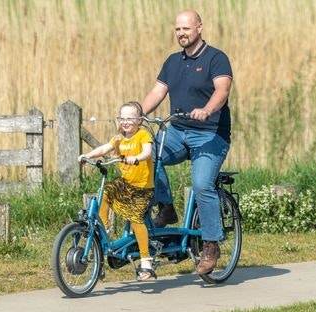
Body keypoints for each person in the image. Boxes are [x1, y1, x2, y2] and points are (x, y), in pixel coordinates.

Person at [140, 9, 233, 275]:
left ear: (199, 28)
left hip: (210, 133)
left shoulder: (216, 58)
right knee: (148, 154)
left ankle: (211, 244)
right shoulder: (172, 61)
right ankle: (166, 207)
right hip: (178, 131)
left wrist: (207, 109)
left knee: (202, 184)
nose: (181, 34)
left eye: (186, 29)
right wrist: (137, 113)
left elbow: (222, 90)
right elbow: (158, 91)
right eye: (178, 29)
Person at [78, 101, 156, 281]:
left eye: (130, 118)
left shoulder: (142, 135)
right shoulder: (119, 139)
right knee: (106, 192)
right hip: (126, 183)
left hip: (142, 187)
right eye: (122, 118)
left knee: (135, 218)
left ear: (139, 120)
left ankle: (146, 260)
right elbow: (105, 148)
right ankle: (103, 232)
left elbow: (147, 152)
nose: (126, 122)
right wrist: (87, 156)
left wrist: (136, 158)